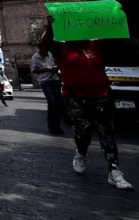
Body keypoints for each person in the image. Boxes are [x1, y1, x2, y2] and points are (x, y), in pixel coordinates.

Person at [40, 17, 133, 190]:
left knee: (106, 132)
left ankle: (114, 171)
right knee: (83, 130)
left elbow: (116, 36)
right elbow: (46, 41)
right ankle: (81, 152)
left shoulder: (95, 45)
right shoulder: (62, 48)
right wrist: (50, 24)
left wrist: (115, 17)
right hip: (75, 96)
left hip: (101, 94)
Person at [31, 43, 66, 134]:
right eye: (44, 49)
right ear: (39, 49)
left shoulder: (51, 54)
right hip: (45, 81)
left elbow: (58, 64)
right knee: (52, 102)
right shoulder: (35, 58)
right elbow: (34, 70)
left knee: (59, 103)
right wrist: (44, 69)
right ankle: (52, 125)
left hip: (55, 79)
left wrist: (55, 68)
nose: (45, 51)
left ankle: (56, 126)